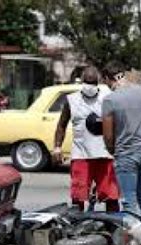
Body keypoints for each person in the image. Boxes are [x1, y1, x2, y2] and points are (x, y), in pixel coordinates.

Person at [101, 61, 141, 245]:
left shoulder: (111, 99)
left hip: (127, 153)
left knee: (128, 202)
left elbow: (108, 134)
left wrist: (112, 150)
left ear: (109, 79)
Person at [53, 66, 120, 212]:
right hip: (81, 155)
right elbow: (61, 125)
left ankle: (113, 228)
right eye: (87, 82)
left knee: (111, 196)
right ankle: (77, 228)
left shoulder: (108, 97)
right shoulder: (72, 100)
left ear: (99, 82)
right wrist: (57, 147)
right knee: (78, 196)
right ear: (82, 81)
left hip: (105, 154)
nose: (89, 86)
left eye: (92, 83)